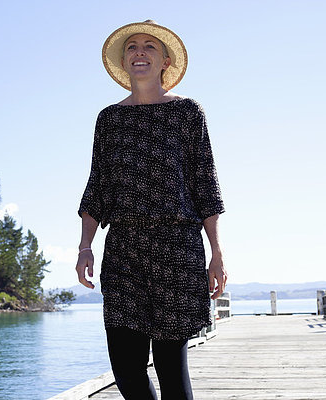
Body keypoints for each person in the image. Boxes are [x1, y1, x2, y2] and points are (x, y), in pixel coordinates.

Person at [76, 19, 227, 400]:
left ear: (164, 61)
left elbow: (204, 185)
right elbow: (98, 187)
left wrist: (217, 253)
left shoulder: (188, 113)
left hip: (177, 247)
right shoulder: (109, 119)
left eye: (149, 46)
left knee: (170, 368)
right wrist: (84, 247)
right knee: (126, 369)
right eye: (132, 47)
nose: (139, 52)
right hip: (124, 249)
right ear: (124, 62)